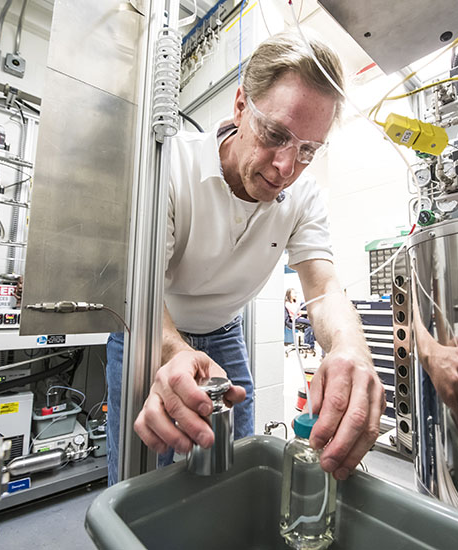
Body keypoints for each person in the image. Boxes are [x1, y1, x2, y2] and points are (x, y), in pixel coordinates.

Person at [106, 32, 384, 486]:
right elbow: (139, 289)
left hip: (224, 334)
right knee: (138, 475)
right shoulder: (171, 166)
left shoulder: (304, 195)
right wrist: (175, 351)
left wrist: (351, 346)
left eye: (308, 151)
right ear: (240, 106)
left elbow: (324, 288)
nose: (285, 168)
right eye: (275, 135)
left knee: (232, 472)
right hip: (149, 327)